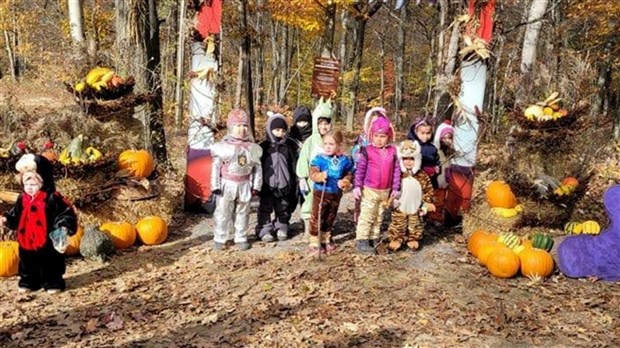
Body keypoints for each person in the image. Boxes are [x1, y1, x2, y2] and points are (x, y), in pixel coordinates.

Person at [0, 154, 78, 294]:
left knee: (50, 262)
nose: (29, 188)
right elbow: (16, 213)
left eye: (33, 184)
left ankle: (52, 282)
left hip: (47, 238)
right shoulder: (22, 199)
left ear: (43, 182)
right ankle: (29, 281)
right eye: (26, 184)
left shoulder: (52, 198)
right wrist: (7, 219)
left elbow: (65, 212)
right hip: (27, 238)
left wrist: (63, 224)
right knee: (27, 262)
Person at [210, 109, 262, 251]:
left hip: (245, 184)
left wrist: (256, 185)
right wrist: (215, 185)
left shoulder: (253, 148)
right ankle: (220, 237)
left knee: (243, 212)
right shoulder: (222, 148)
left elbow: (258, 168)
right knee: (223, 212)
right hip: (227, 184)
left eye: (244, 126)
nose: (242, 129)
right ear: (231, 127)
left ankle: (241, 236)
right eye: (238, 126)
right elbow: (215, 168)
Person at [353, 116, 401, 255]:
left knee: (379, 215)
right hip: (370, 189)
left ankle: (374, 238)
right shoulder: (367, 151)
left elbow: (396, 170)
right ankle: (362, 239)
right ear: (371, 135)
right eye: (376, 136)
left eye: (383, 136)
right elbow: (360, 170)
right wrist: (357, 186)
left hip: (385, 190)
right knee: (367, 214)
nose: (379, 139)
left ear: (389, 136)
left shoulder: (393, 152)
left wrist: (395, 188)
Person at [308, 130, 354, 255]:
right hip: (321, 191)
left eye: (331, 144)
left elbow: (349, 173)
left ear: (339, 145)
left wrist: (345, 181)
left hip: (336, 192)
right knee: (318, 216)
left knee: (330, 216)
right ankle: (314, 240)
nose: (328, 147)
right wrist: (319, 176)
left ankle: (326, 237)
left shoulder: (344, 160)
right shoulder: (320, 159)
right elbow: (312, 173)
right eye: (326, 144)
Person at [255, 112, 298, 242]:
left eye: (283, 130)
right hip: (267, 185)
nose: (280, 133)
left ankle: (282, 226)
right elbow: (257, 166)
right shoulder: (263, 147)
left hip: (284, 185)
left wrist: (293, 181)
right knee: (265, 208)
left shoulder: (288, 147)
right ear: (270, 129)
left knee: (283, 207)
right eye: (277, 130)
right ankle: (264, 229)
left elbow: (293, 165)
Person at [386, 140, 435, 251]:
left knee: (416, 223)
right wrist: (390, 199)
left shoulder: (421, 175)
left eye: (411, 159)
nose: (408, 162)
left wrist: (427, 202)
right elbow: (391, 187)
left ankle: (413, 238)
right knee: (398, 222)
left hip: (416, 205)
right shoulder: (397, 174)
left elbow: (428, 189)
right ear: (400, 159)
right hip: (400, 204)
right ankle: (397, 238)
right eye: (405, 159)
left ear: (417, 159)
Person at [296, 97, 333, 239]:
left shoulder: (333, 140)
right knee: (311, 203)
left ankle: (325, 230)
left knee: (327, 205)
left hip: (329, 180)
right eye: (320, 123)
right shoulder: (311, 141)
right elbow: (304, 159)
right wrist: (302, 177)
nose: (324, 127)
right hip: (313, 180)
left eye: (327, 123)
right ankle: (308, 229)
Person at [351, 107, 393, 224]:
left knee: (376, 205)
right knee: (363, 202)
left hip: (378, 178)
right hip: (363, 173)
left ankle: (374, 225)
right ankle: (360, 223)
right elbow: (356, 153)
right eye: (373, 122)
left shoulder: (386, 142)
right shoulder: (363, 139)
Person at [427, 120, 455, 224]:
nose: (447, 140)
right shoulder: (437, 152)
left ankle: (437, 215)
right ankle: (433, 217)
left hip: (446, 182)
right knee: (437, 200)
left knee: (442, 200)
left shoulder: (451, 153)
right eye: (445, 138)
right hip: (438, 182)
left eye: (450, 137)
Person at [407, 118, 441, 189]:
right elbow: (407, 164)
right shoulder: (411, 146)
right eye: (422, 133)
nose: (425, 136)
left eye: (428, 133)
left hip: (430, 182)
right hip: (415, 182)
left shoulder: (433, 148)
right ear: (416, 132)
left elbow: (437, 162)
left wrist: (436, 169)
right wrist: (422, 169)